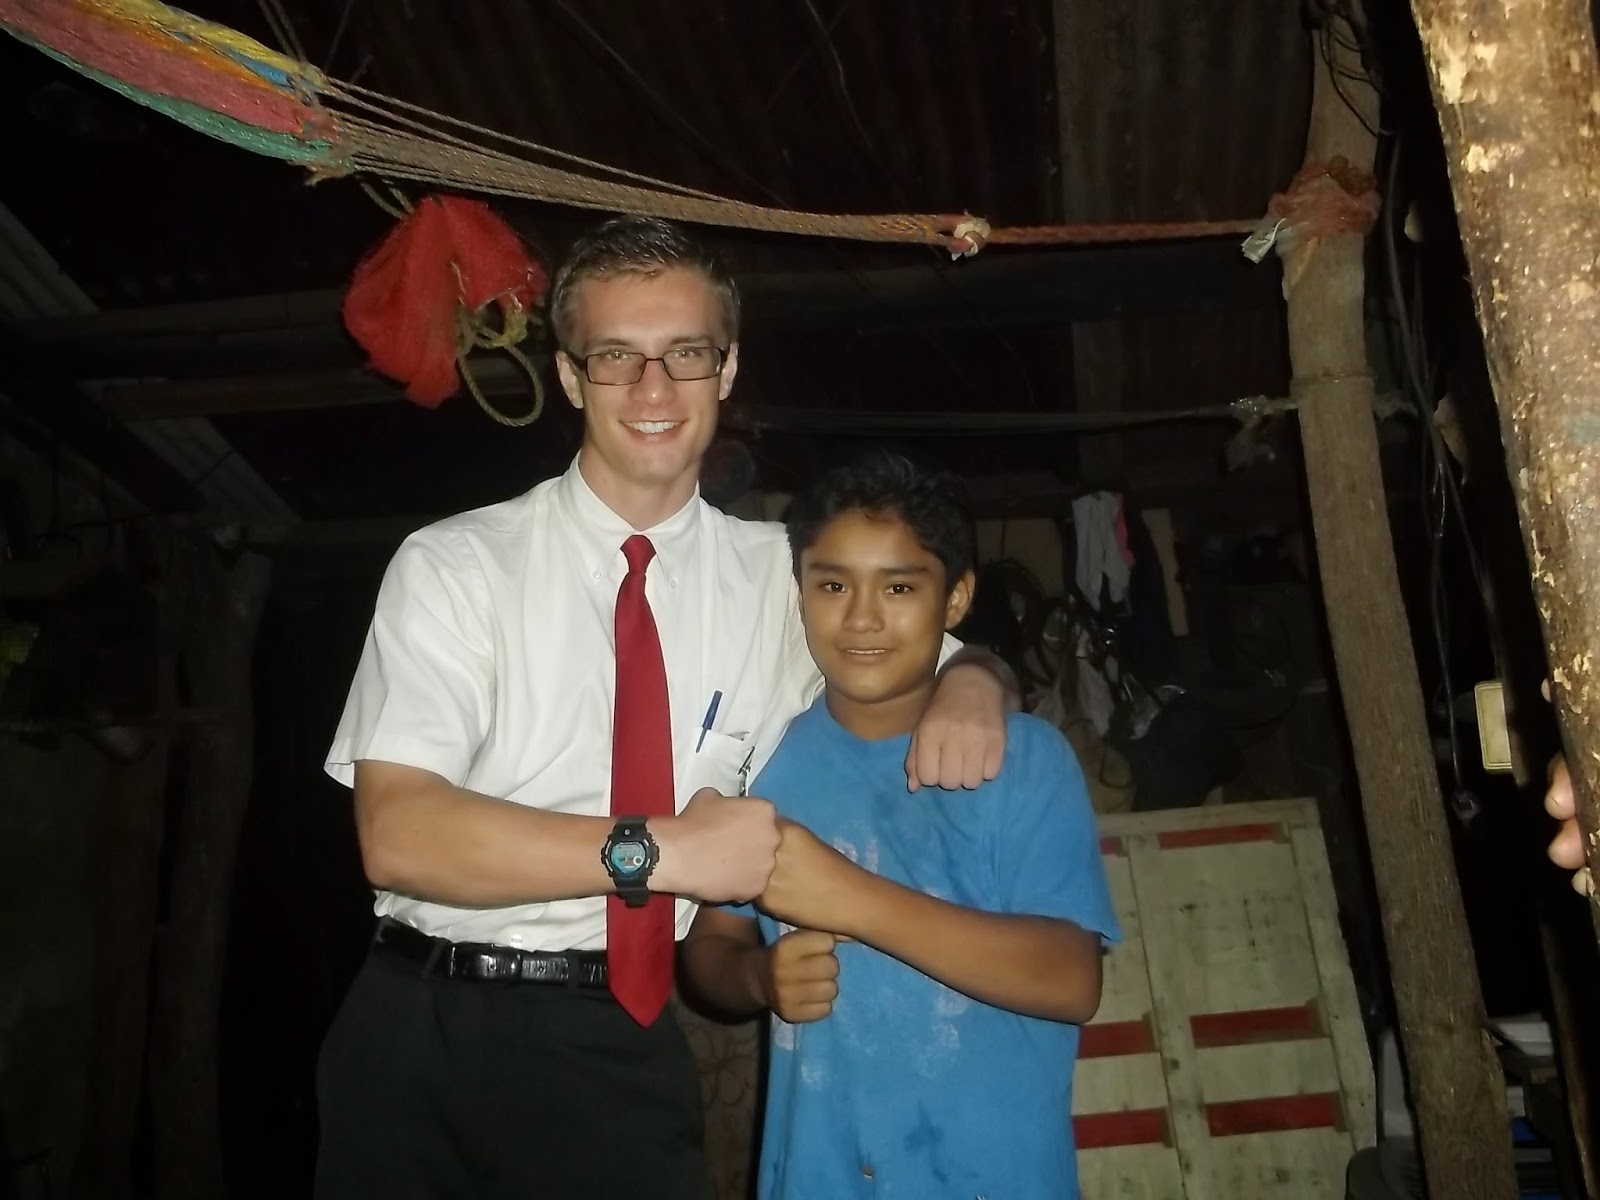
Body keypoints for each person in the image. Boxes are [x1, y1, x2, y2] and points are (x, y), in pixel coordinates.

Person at [315, 217, 1016, 1199]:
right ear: (570, 378)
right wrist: (663, 853)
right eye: (617, 357)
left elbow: (939, 653)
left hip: (612, 1035)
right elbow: (399, 836)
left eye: (685, 354)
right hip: (418, 1031)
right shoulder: (456, 565)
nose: (654, 390)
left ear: (726, 370)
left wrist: (975, 681)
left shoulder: (783, 581)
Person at [681, 450, 1120, 1199]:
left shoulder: (1026, 760)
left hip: (992, 1178)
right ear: (799, 592)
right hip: (816, 1177)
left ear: (956, 599)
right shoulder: (765, 764)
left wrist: (849, 898)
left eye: (899, 587)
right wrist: (757, 977)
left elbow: (1073, 980)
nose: (861, 618)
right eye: (832, 585)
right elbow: (710, 946)